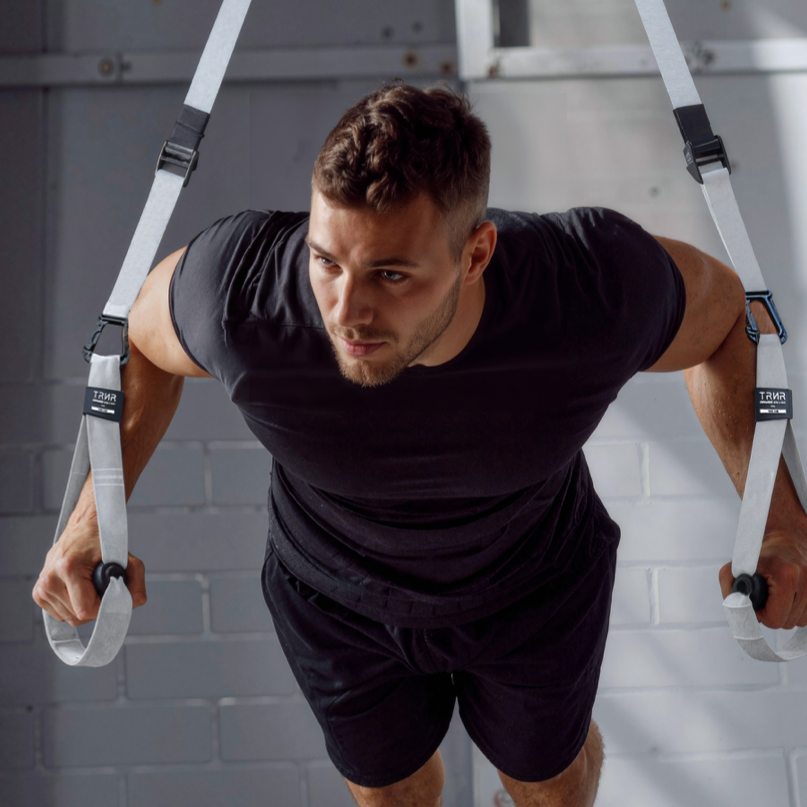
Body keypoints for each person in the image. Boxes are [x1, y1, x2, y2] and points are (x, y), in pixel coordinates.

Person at [34, 83, 807, 807]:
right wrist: (91, 517)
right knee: (391, 797)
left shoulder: (588, 288)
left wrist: (778, 518)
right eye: (326, 260)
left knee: (548, 787)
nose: (347, 309)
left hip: (534, 585)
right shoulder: (240, 291)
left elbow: (734, 327)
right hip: (333, 594)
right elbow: (133, 344)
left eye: (391, 274)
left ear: (475, 254)